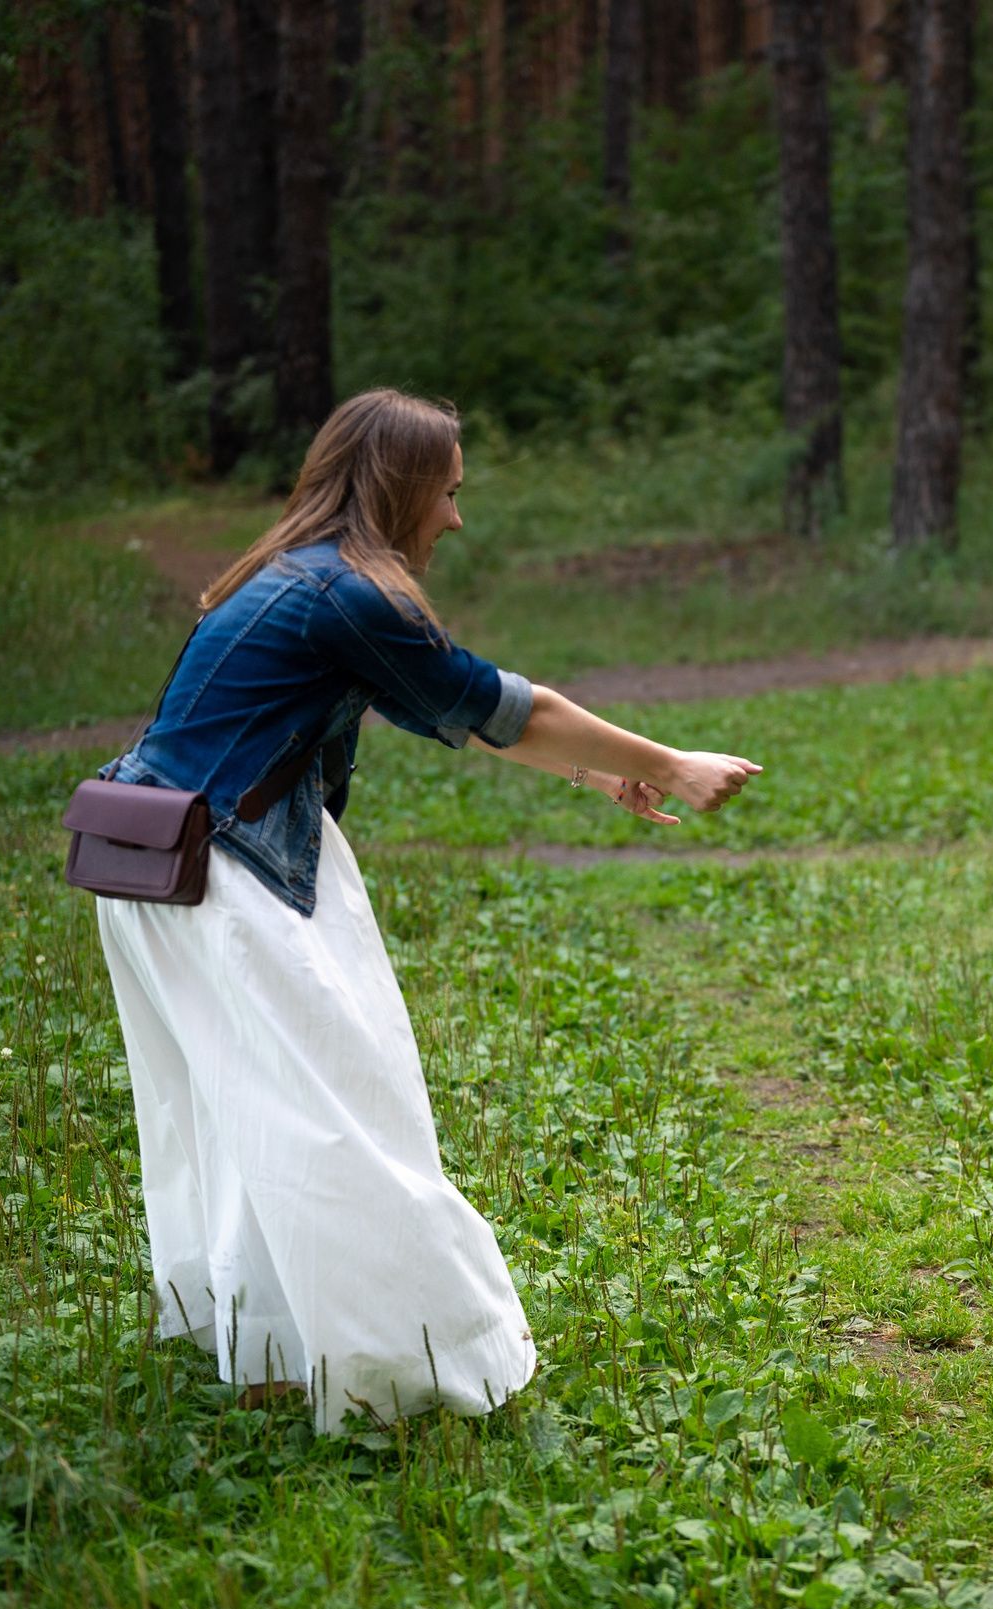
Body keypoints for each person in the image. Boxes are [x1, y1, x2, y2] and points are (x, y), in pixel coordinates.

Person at [91, 389, 760, 1431]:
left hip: (170, 865)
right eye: (448, 494)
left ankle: (276, 1348)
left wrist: (598, 778)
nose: (455, 518)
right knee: (334, 1119)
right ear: (402, 489)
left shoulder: (288, 575)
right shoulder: (346, 596)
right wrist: (669, 762)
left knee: (258, 1112)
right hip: (221, 872)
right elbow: (508, 702)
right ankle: (404, 1369)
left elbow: (451, 706)